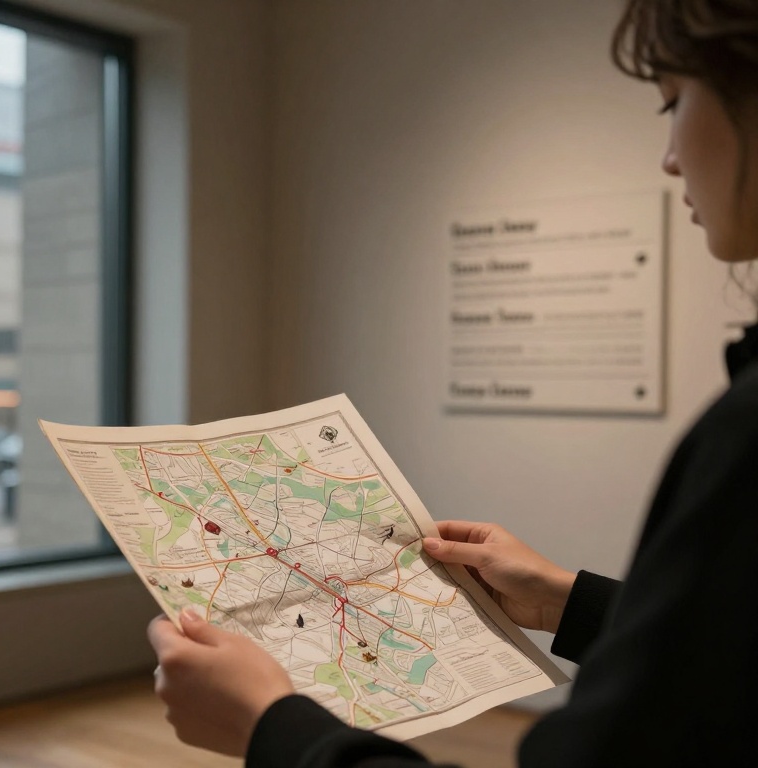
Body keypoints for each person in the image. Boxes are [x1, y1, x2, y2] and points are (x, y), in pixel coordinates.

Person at [148, 1, 758, 766]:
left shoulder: (745, 435)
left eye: (672, 103)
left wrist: (270, 724)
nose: (669, 158)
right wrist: (566, 601)